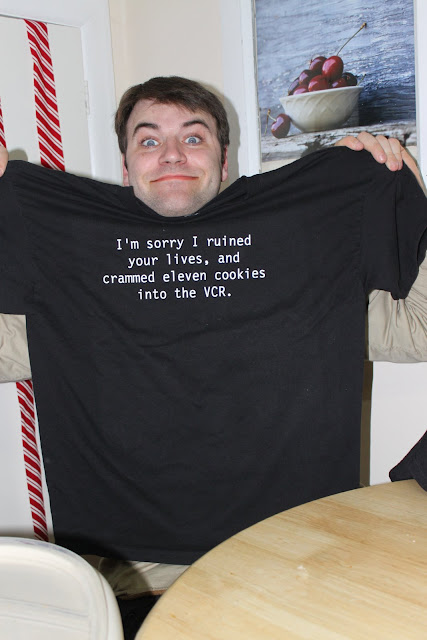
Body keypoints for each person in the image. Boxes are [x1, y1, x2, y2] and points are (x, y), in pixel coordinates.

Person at [0, 76, 426, 616]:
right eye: (149, 140)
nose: (172, 154)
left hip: (290, 558)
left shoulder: (299, 253)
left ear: (224, 162)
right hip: (136, 577)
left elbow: (419, 329)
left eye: (193, 137)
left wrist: (407, 194)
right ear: (126, 166)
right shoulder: (74, 274)